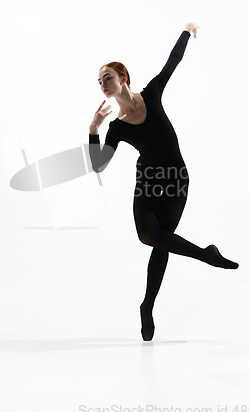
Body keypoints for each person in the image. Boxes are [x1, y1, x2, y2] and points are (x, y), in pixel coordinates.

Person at [89, 22, 239, 341]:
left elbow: (174, 60)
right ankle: (206, 254)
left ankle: (147, 306)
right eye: (99, 81)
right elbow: (99, 165)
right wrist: (93, 129)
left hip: (176, 178)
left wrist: (186, 31)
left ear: (123, 78)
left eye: (107, 77)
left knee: (163, 239)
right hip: (148, 180)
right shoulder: (116, 127)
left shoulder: (153, 90)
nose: (103, 84)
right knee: (149, 236)